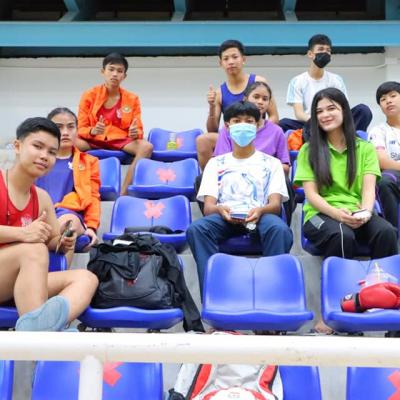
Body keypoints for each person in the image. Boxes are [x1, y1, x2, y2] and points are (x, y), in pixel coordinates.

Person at [0, 117, 98, 331]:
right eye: (37, 146)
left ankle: (41, 326)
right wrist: (24, 234)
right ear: (17, 146)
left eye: (52, 152)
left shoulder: (42, 197)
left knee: (86, 278)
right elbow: (31, 240)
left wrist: (62, 241)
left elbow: (52, 240)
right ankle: (41, 334)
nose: (45, 156)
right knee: (33, 249)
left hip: (23, 282)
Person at [187, 101, 293, 294]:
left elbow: (275, 205)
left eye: (249, 121)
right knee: (197, 229)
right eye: (237, 121)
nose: (243, 125)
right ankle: (214, 295)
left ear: (257, 125)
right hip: (225, 217)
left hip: (260, 216)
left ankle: (273, 295)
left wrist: (261, 210)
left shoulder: (272, 163)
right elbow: (209, 207)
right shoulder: (215, 163)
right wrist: (220, 209)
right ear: (227, 126)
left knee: (280, 229)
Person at [294, 87, 397, 260]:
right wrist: (336, 213)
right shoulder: (308, 149)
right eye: (319, 111)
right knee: (342, 234)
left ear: (344, 110)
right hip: (319, 215)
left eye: (331, 108)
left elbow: (368, 190)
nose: (325, 115)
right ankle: (342, 279)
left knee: (386, 231)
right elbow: (311, 195)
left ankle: (380, 277)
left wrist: (365, 213)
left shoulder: (365, 148)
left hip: (355, 212)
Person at [213, 81, 296, 224]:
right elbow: (220, 162)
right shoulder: (229, 129)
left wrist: (262, 168)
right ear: (245, 99)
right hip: (233, 178)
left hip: (266, 180)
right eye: (256, 97)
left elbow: (285, 166)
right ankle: (221, 218)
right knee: (201, 180)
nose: (260, 102)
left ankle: (282, 224)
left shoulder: (276, 131)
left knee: (286, 184)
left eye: (265, 99)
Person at [76, 52, 153, 194]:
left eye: (119, 71)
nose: (115, 74)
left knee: (146, 147)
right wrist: (92, 131)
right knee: (66, 142)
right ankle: (77, 189)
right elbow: (81, 128)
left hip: (120, 140)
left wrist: (135, 133)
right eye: (111, 69)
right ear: (103, 72)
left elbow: (138, 129)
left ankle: (124, 193)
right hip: (94, 139)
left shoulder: (132, 98)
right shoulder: (89, 95)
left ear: (124, 76)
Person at [196, 39, 279, 170]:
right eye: (226, 59)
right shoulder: (219, 93)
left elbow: (274, 116)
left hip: (257, 133)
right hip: (231, 136)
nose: (231, 62)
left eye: (235, 57)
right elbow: (212, 130)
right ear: (221, 63)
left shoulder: (259, 81)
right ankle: (210, 179)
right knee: (202, 140)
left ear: (243, 59)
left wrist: (257, 131)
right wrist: (211, 106)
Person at [36, 107, 100, 266]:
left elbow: (93, 196)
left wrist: (91, 227)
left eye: (71, 127)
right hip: (39, 215)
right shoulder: (37, 159)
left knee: (68, 225)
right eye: (59, 127)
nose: (65, 132)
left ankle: (59, 277)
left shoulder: (89, 162)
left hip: (69, 214)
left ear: (77, 130)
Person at [279, 34, 372, 138]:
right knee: (283, 123)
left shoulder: (336, 80)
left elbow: (343, 108)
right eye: (321, 49)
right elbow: (299, 113)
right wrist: (317, 121)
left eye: (328, 50)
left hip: (336, 121)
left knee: (363, 110)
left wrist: (332, 119)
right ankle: (317, 137)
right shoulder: (297, 81)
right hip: (311, 123)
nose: (325, 53)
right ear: (310, 54)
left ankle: (350, 139)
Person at [368, 81, 400, 228]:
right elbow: (382, 161)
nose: (388, 101)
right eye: (383, 99)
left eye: (393, 96)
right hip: (395, 175)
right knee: (385, 181)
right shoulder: (378, 131)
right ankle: (394, 235)